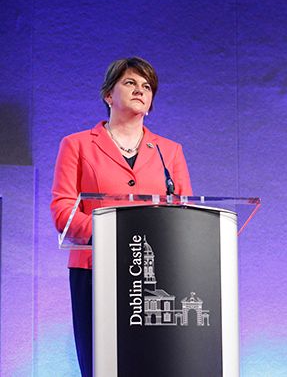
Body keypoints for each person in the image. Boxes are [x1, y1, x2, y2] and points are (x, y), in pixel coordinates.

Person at [51, 57, 192, 377]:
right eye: (130, 83)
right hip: (94, 268)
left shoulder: (169, 151)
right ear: (108, 95)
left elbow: (183, 213)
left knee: (154, 363)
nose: (140, 90)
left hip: (156, 274)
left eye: (147, 86)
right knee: (102, 364)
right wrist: (114, 233)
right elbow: (63, 210)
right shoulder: (77, 145)